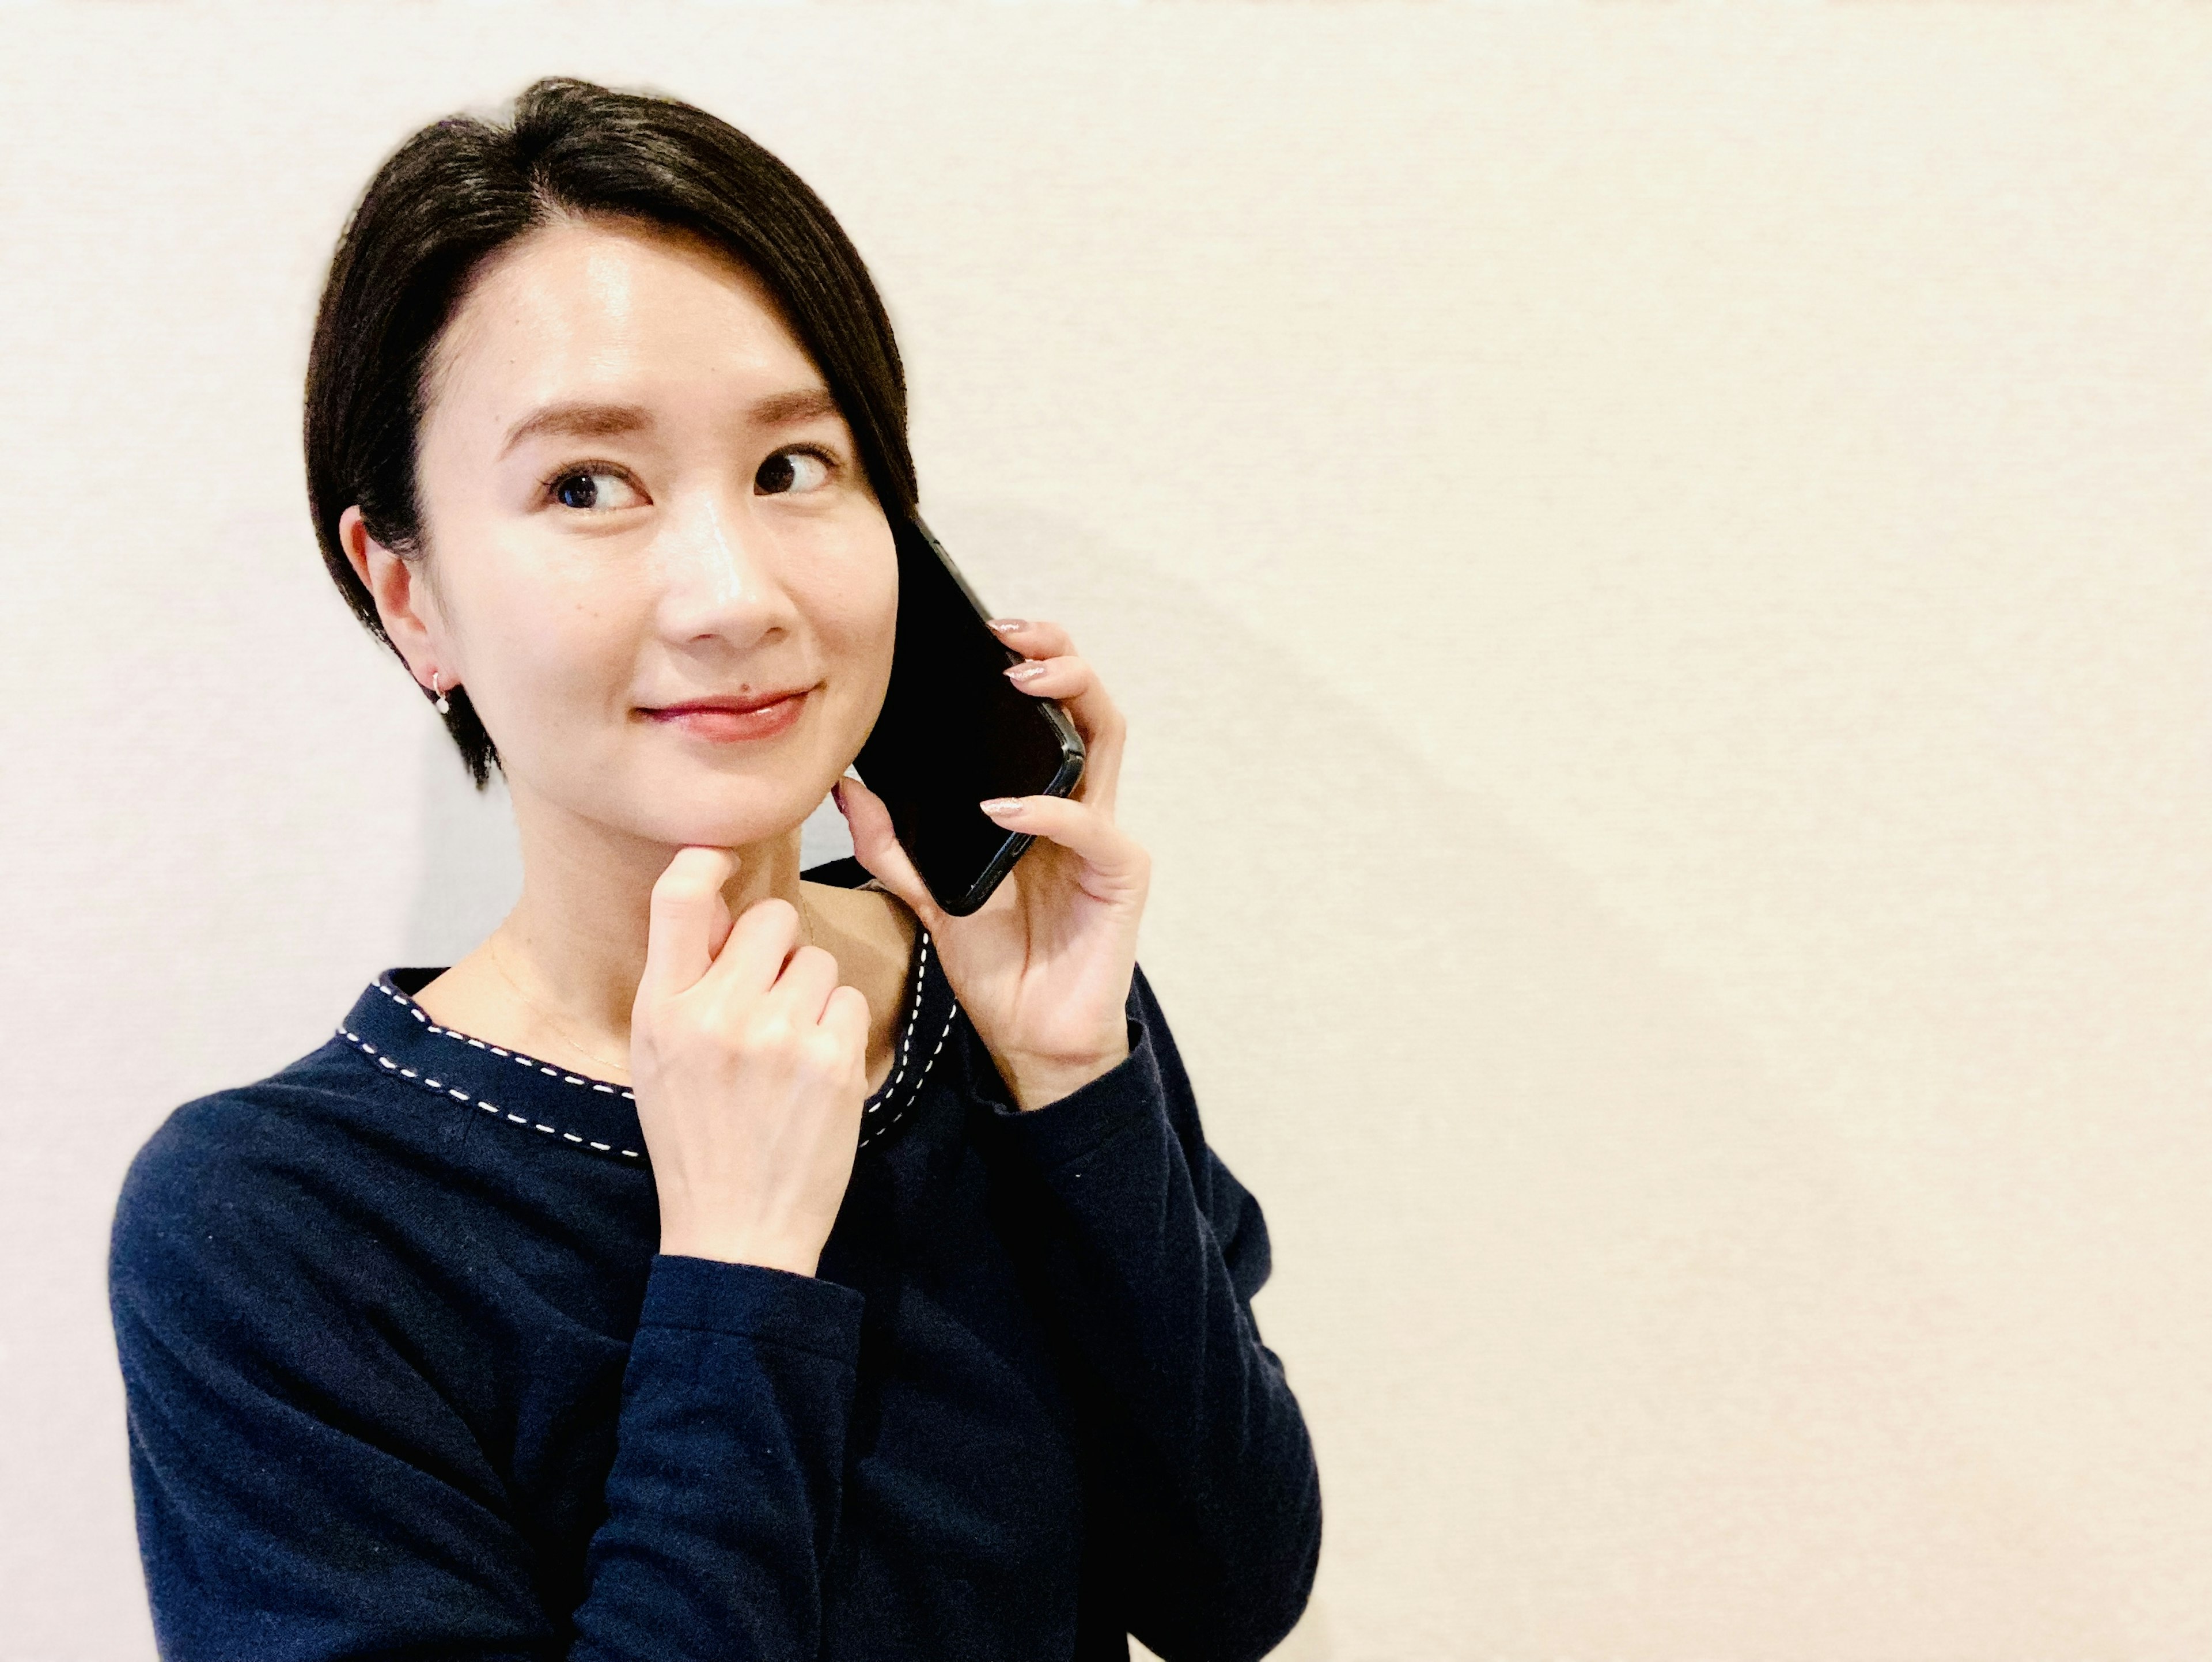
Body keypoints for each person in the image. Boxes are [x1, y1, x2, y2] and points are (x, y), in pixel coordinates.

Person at [107, 76, 1321, 1662]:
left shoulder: (995, 995)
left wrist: (1077, 1083)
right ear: (408, 594)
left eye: (794, 466)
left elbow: (1230, 1594)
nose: (733, 595)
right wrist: (739, 1268)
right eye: (586, 486)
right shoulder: (279, 1226)